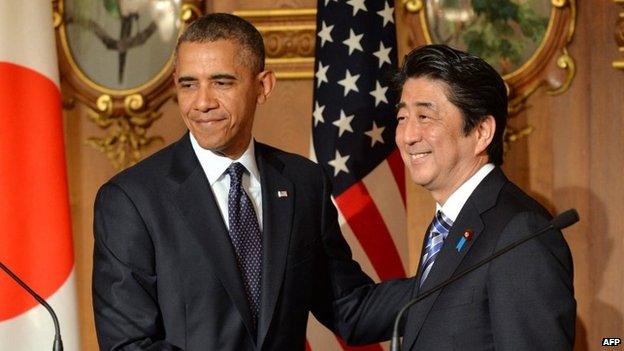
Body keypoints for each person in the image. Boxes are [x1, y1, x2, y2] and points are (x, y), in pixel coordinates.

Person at [91, 13, 410, 351]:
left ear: (263, 86)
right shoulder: (130, 200)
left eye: (221, 82)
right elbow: (128, 345)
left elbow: (350, 308)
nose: (202, 102)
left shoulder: (304, 183)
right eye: (188, 84)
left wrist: (449, 278)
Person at [384, 44, 575, 350]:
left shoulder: (522, 234)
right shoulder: (446, 227)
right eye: (403, 117)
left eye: (424, 116)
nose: (408, 136)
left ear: (482, 131)